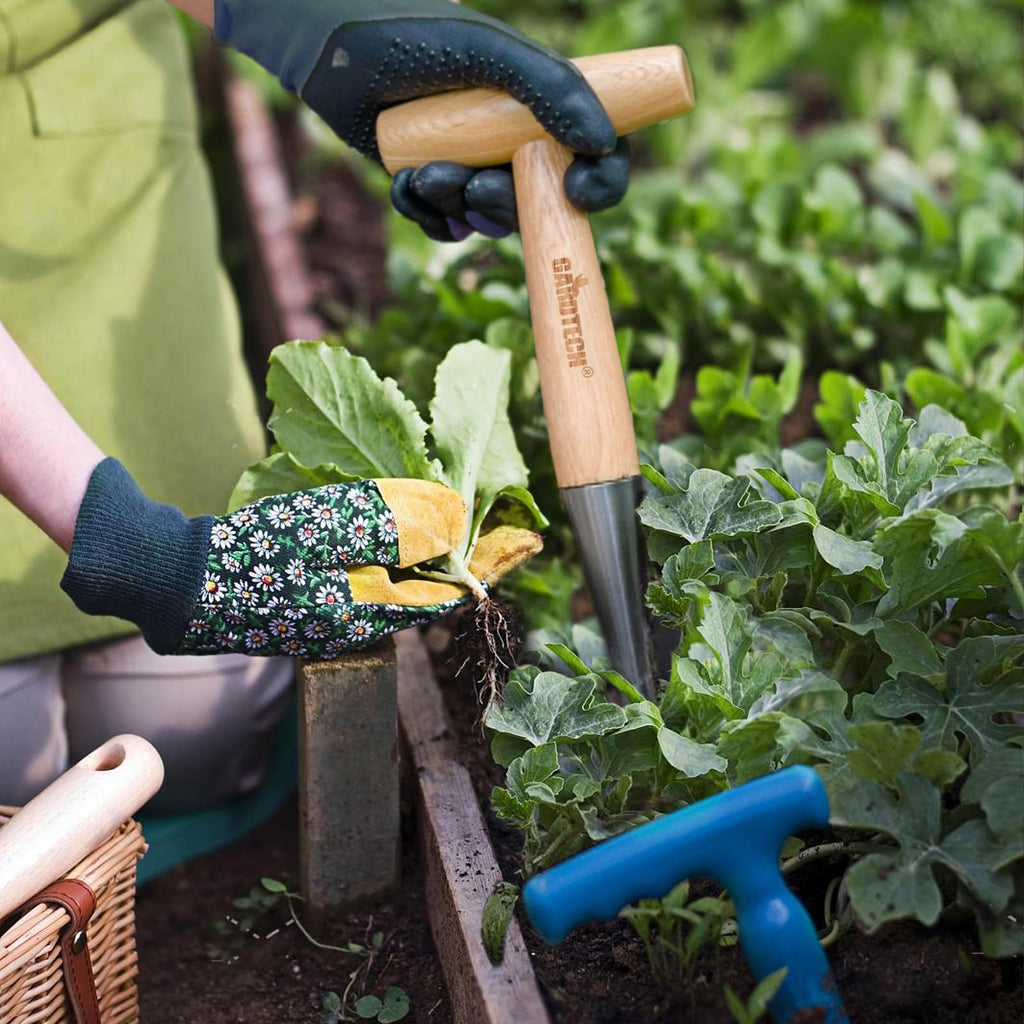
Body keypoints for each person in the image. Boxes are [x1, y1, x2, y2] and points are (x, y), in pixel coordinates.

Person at [0, 0, 629, 813]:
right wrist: (135, 549)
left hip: (78, 102)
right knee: (12, 752)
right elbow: (138, 551)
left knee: (190, 722)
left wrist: (314, 28)